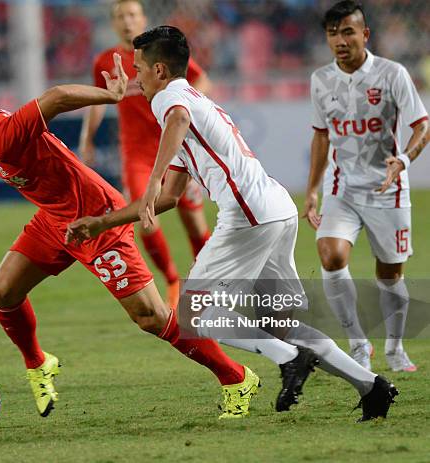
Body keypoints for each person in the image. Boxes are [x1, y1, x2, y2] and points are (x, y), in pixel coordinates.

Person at [0, 56, 275, 420]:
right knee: (4, 292)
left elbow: (55, 96)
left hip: (96, 218)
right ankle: (39, 364)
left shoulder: (0, 136)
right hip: (55, 219)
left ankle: (236, 377)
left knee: (151, 317)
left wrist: (110, 96)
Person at [66, 26, 398, 421]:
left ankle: (289, 359)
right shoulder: (192, 107)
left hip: (248, 216)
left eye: (138, 68)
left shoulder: (171, 99)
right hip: (275, 209)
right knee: (281, 323)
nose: (135, 78)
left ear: (159, 69)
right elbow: (168, 197)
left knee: (195, 313)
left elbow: (176, 121)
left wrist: (151, 176)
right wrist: (101, 223)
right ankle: (372, 387)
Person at [302, 1, 429, 371]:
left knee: (389, 274)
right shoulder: (320, 80)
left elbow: (422, 125)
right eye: (332, 34)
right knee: (331, 255)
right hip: (342, 187)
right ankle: (359, 345)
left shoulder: (393, 74)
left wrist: (403, 160)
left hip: (388, 189)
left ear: (364, 34)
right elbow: (321, 137)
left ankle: (395, 348)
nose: (340, 41)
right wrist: (312, 190)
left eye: (347, 32)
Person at [79, 0, 211, 307]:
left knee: (193, 221)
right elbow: (99, 99)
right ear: (113, 24)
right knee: (146, 216)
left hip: (177, 150)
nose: (127, 21)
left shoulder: (160, 53)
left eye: (132, 15)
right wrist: (87, 138)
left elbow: (200, 78)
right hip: (137, 155)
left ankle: (206, 284)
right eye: (121, 16)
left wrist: (193, 105)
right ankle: (173, 280)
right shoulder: (104, 62)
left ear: (143, 19)